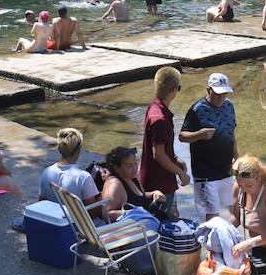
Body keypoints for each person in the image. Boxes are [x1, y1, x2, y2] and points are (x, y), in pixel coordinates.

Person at [180, 72, 237, 218]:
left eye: (224, 93)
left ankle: (233, 240)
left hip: (226, 169)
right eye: (218, 94)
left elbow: (232, 134)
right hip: (205, 173)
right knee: (212, 214)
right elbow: (182, 136)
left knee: (235, 209)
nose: (221, 97)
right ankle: (209, 240)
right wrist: (199, 135)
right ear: (208, 90)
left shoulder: (229, 106)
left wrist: (237, 159)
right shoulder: (197, 110)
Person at [141, 66, 190, 198]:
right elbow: (159, 155)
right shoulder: (160, 119)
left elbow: (159, 147)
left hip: (152, 180)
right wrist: (181, 173)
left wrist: (175, 158)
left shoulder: (153, 108)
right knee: (167, 217)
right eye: (178, 88)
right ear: (173, 90)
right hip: (160, 186)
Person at [99, 146, 173, 220]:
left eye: (135, 163)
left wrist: (154, 193)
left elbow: (140, 197)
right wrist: (132, 212)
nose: (135, 168)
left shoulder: (132, 179)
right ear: (116, 168)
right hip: (131, 228)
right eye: (129, 166)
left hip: (145, 224)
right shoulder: (115, 184)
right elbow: (106, 214)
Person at [39, 127, 101, 210]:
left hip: (55, 220)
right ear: (78, 150)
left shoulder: (47, 172)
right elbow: (93, 212)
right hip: (75, 222)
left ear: (59, 149)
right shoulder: (83, 177)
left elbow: (41, 203)